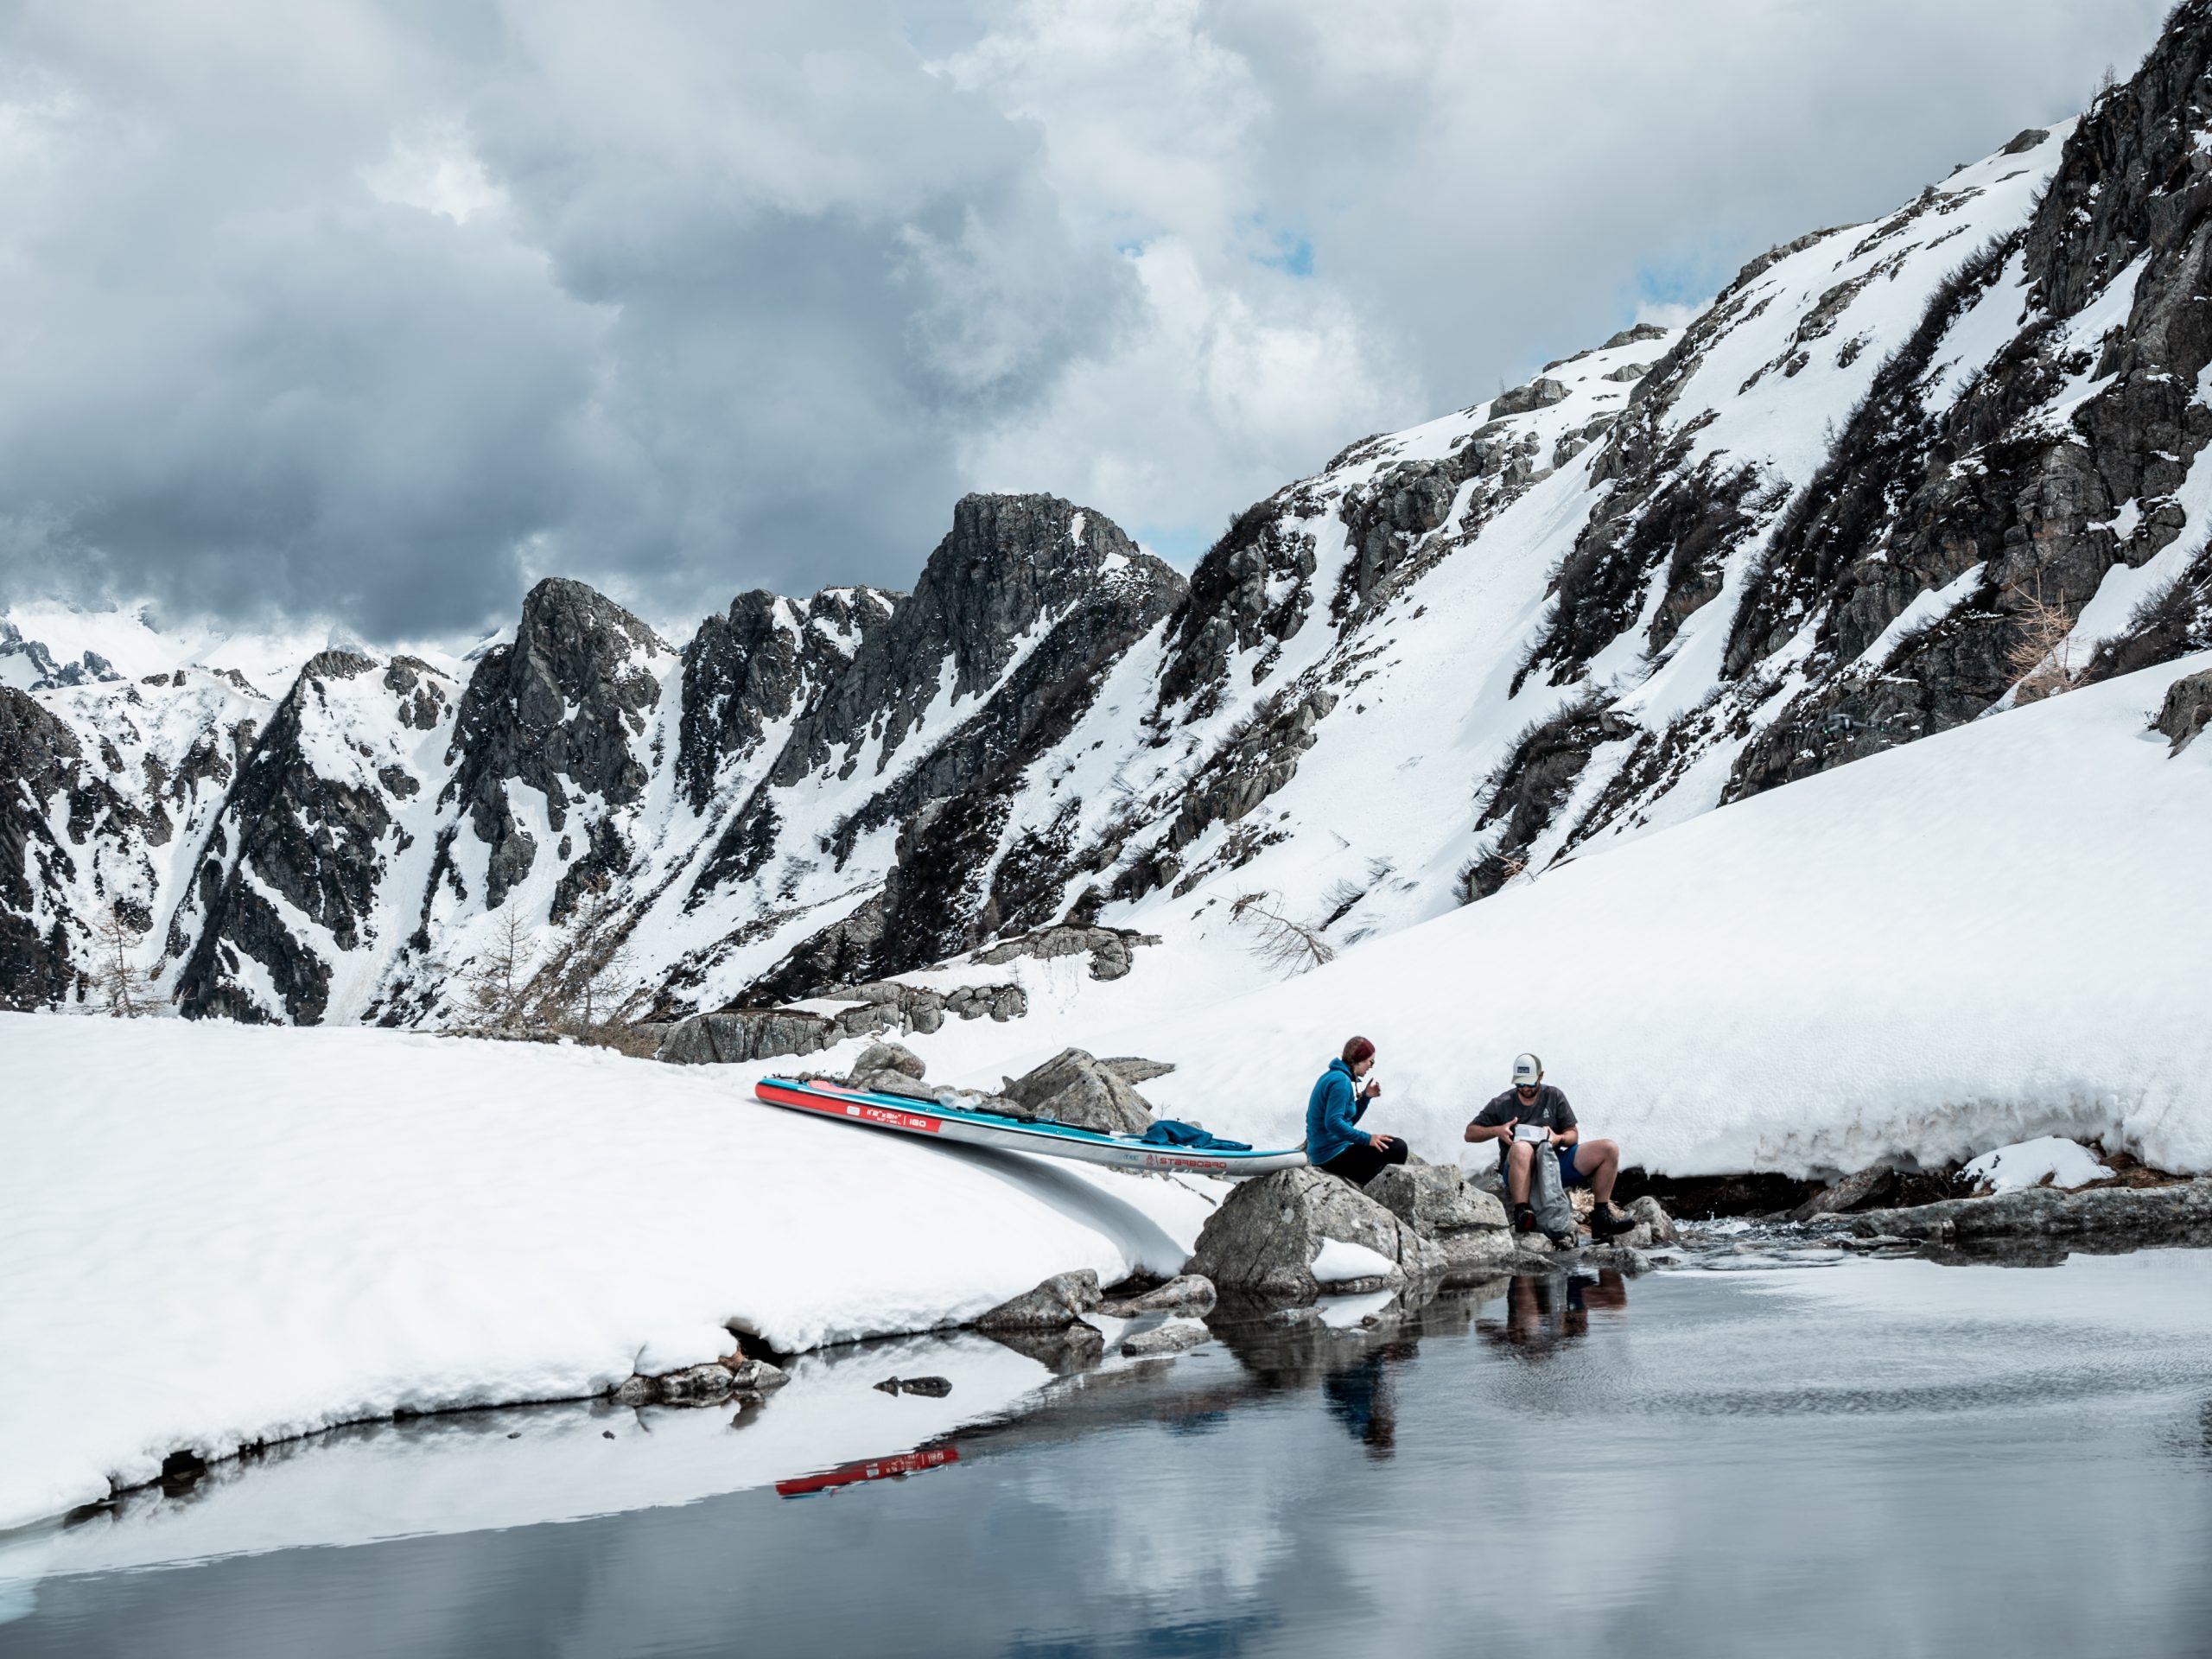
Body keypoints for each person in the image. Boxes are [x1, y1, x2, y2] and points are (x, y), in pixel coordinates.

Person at [1463, 1052, 1637, 1238]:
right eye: (1520, 1084)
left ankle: (1601, 1217)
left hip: (1552, 1166)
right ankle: (1522, 1212)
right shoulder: (1502, 1103)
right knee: (1522, 1147)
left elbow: (1573, 1135)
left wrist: (1558, 1139)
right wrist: (1497, 1130)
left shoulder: (1554, 1096)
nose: (1525, 1088)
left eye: (1530, 1083)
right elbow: (1470, 1133)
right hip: (1518, 1168)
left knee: (1609, 1148)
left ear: (1540, 1076)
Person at [1306, 1036, 1408, 1185]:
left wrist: (1366, 1097)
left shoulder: (1334, 1076)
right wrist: (1368, 1139)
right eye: (1370, 1061)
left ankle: (1373, 1183)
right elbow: (1333, 1123)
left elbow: (1347, 1121)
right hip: (1332, 1156)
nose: (1371, 1066)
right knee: (1397, 1148)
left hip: (1326, 1152)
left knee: (1388, 1146)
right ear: (1359, 1059)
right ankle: (1379, 1190)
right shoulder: (1341, 1082)